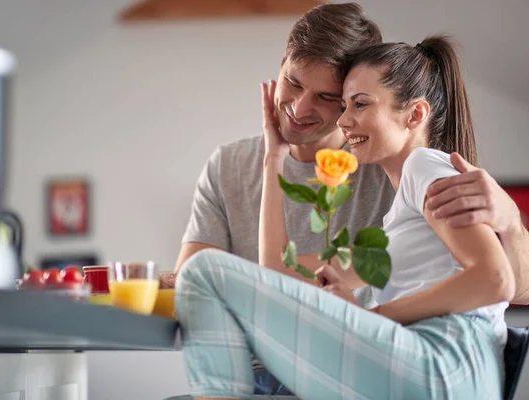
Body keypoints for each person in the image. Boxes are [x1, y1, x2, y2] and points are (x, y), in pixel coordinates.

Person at [169, 1, 529, 396]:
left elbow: (498, 280)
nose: (342, 119)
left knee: (206, 271)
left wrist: (374, 317)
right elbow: (278, 269)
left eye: (352, 103)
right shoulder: (398, 229)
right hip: (415, 363)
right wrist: (274, 158)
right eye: (294, 83)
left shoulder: (425, 168)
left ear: (414, 115)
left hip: (443, 358)